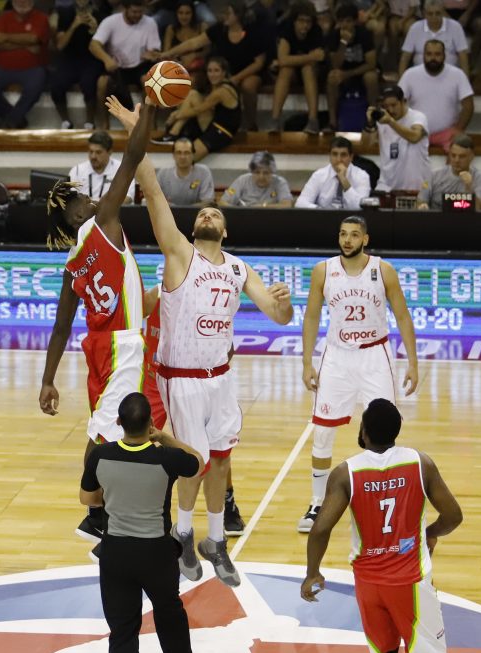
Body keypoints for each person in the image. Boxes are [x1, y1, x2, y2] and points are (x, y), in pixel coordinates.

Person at [116, 101, 295, 588]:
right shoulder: (179, 254)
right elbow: (152, 188)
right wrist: (138, 130)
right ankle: (182, 532)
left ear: (225, 228)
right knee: (193, 462)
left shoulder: (238, 267)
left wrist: (285, 304)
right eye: (203, 211)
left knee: (221, 458)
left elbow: (278, 315)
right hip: (182, 378)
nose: (209, 212)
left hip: (222, 377)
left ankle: (215, 539)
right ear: (195, 228)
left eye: (216, 211)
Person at [300, 398, 462, 653]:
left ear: (365, 431)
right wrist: (430, 533)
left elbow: (320, 528)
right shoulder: (420, 463)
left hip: (368, 580)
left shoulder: (346, 472)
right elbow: (453, 516)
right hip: (408, 579)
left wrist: (313, 573)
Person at [41, 99, 160, 548]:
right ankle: (94, 513)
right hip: (121, 344)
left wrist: (48, 380)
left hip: (96, 346)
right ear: (78, 214)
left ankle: (105, 508)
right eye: (84, 199)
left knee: (111, 426)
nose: (93, 199)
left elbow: (60, 329)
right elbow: (132, 156)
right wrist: (149, 109)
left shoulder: (72, 264)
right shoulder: (103, 222)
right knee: (106, 433)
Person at [80, 391, 206, 653]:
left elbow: (88, 498)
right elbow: (197, 462)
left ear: (118, 423)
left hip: (116, 555)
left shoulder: (101, 455)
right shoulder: (166, 457)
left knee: (122, 635)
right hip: (156, 555)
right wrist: (164, 437)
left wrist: (114, 495)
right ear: (150, 423)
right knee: (169, 613)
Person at [296, 217, 417, 531]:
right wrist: (307, 362)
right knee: (322, 432)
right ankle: (317, 502)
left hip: (375, 355)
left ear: (365, 239)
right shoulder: (323, 271)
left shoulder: (383, 270)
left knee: (384, 432)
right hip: (337, 357)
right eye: (342, 234)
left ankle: (384, 501)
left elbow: (403, 316)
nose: (347, 240)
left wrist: (413, 362)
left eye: (353, 235)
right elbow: (311, 316)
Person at [157, 0, 266, 131]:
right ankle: (198, 125)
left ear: (238, 15)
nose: (224, 16)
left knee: (249, 85)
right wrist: (168, 53)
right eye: (223, 13)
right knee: (202, 80)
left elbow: (259, 63)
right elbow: (194, 43)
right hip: (223, 71)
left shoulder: (253, 32)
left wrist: (236, 78)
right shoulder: (219, 28)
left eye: (228, 13)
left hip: (248, 71)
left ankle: (251, 125)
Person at [0, 0, 50, 130]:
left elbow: (34, 38)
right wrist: (25, 45)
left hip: (32, 68)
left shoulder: (41, 18)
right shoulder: (3, 18)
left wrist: (6, 37)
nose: (22, 2)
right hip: (2, 68)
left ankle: (11, 121)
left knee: (34, 89)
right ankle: (17, 119)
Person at [155, 56, 241, 161]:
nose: (212, 74)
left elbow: (198, 110)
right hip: (214, 124)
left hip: (222, 132)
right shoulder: (219, 85)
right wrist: (178, 113)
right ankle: (174, 133)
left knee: (188, 158)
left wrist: (176, 115)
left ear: (224, 72)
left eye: (216, 71)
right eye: (210, 71)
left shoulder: (222, 91)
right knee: (193, 94)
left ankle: (173, 133)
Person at [90, 0, 160, 126]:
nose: (137, 15)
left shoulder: (150, 23)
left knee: (148, 81)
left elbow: (154, 49)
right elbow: (93, 45)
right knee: (102, 83)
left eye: (140, 12)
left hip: (140, 65)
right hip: (116, 66)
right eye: (134, 12)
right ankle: (104, 126)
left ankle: (149, 125)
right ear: (125, 9)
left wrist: (152, 54)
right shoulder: (110, 22)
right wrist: (107, 59)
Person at [398, 39, 473, 153]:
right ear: (423, 55)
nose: (433, 58)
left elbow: (468, 106)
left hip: (447, 133)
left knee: (460, 149)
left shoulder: (458, 74)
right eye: (429, 54)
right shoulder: (410, 74)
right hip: (416, 132)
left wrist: (458, 129)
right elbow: (398, 103)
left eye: (437, 54)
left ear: (444, 56)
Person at [269, 0, 325, 134]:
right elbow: (283, 59)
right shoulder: (286, 29)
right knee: (286, 70)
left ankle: (313, 121)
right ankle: (275, 120)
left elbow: (319, 59)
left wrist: (292, 60)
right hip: (291, 73)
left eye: (308, 21)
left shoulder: (316, 31)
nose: (305, 25)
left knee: (307, 69)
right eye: (301, 21)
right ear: (294, 20)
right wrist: (310, 57)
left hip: (311, 74)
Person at [363, 84, 430, 193]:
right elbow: (366, 144)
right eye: (386, 106)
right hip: (387, 187)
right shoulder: (381, 120)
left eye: (394, 105)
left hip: (416, 188)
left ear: (404, 102)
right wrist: (370, 124)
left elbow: (414, 137)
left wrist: (391, 122)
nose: (390, 109)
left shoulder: (418, 117)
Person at [325, 2, 380, 134]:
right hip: (343, 72)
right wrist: (343, 43)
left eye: (348, 21)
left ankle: (372, 119)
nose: (345, 25)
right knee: (332, 77)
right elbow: (335, 65)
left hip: (362, 71)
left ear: (355, 22)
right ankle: (332, 122)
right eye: (341, 21)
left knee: (371, 77)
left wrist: (348, 74)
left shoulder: (364, 34)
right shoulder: (334, 36)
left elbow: (371, 64)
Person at [50, 0, 102, 130]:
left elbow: (104, 45)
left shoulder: (100, 13)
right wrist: (74, 25)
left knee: (89, 83)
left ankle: (90, 122)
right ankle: (66, 122)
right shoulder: (65, 13)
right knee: (56, 84)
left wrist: (96, 29)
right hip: (69, 58)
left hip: (91, 58)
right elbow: (60, 45)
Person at [295, 135, 372, 209]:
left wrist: (344, 181)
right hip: (324, 216)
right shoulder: (319, 175)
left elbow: (361, 207)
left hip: (352, 218)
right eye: (335, 154)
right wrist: (321, 211)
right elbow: (300, 203)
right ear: (330, 156)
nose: (339, 159)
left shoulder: (362, 176)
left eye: (343, 155)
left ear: (351, 157)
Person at [416, 133, 481, 209]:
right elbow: (421, 200)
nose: (456, 160)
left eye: (462, 156)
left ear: (471, 157)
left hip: (465, 216)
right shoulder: (433, 176)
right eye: (453, 155)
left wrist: (469, 188)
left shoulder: (480, 179)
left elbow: (479, 207)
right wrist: (422, 205)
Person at [396, 0, 469, 75]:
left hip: (450, 75)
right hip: (420, 75)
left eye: (438, 13)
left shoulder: (455, 27)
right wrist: (402, 79)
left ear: (443, 12)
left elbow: (463, 55)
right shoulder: (415, 28)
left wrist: (465, 79)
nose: (434, 17)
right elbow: (405, 56)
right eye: (430, 14)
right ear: (424, 13)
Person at [68, 130, 136, 202]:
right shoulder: (77, 170)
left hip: (111, 209)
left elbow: (128, 197)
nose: (93, 156)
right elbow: (70, 198)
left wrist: (100, 204)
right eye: (91, 151)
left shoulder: (122, 169)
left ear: (109, 152)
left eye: (98, 152)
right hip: (84, 209)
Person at [219, 150, 293, 207]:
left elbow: (287, 205)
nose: (261, 177)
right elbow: (222, 202)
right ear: (252, 172)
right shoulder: (242, 180)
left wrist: (263, 207)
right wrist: (240, 212)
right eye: (257, 172)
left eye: (266, 173)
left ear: (272, 172)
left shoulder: (280, 182)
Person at [157, 137, 215, 206]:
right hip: (168, 212)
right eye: (178, 152)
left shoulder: (203, 172)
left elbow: (207, 202)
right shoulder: (163, 173)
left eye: (187, 153)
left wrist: (185, 210)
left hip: (197, 213)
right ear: (173, 155)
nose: (182, 157)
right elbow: (155, 200)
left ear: (193, 155)